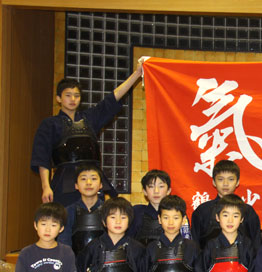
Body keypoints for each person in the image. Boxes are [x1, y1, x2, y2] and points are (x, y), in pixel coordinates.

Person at [30, 58, 145, 206]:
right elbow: (42, 158)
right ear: (59, 98)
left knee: (97, 220)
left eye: (76, 96)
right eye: (68, 95)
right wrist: (46, 187)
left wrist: (136, 74)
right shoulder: (49, 124)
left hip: (92, 178)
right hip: (65, 180)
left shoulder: (89, 118)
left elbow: (112, 98)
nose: (73, 99)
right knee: (66, 222)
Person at [191, 160, 261, 250]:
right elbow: (195, 245)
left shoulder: (247, 211)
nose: (225, 184)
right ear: (213, 182)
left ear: (237, 182)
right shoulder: (202, 211)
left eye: (231, 179)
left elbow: (256, 244)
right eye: (220, 179)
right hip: (208, 262)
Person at [57, 164, 106, 256]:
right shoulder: (68, 212)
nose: (88, 182)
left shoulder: (109, 210)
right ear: (76, 185)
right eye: (83, 179)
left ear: (100, 185)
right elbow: (64, 243)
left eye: (93, 179)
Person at [128, 169, 172, 246]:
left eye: (161, 186)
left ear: (168, 190)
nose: (156, 191)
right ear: (144, 191)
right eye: (151, 186)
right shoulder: (136, 212)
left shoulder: (176, 213)